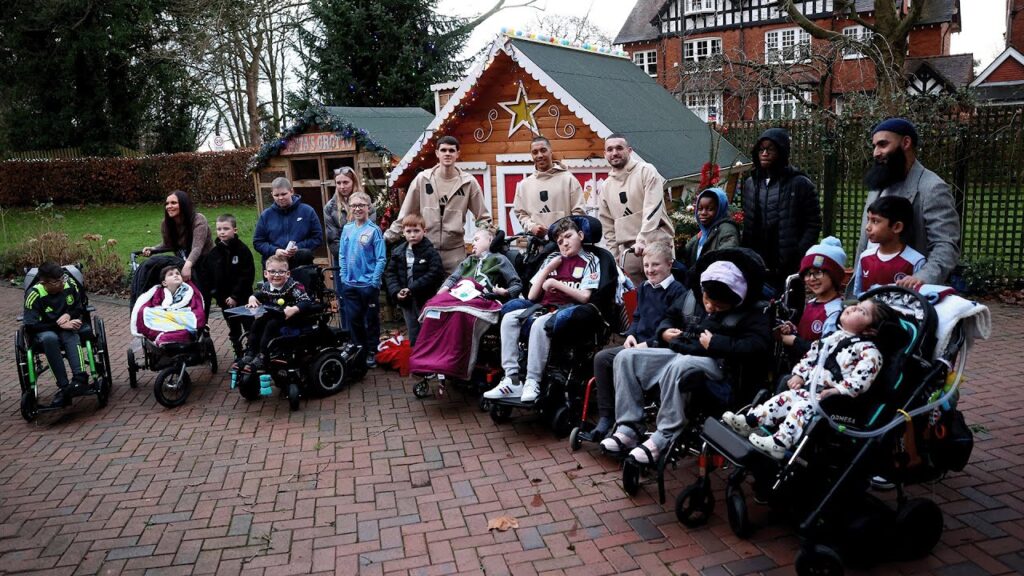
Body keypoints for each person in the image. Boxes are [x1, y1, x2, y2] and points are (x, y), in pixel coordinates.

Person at [601, 249, 771, 465]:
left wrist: (717, 343)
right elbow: (668, 316)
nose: (709, 307)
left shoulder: (753, 312)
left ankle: (665, 436)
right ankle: (629, 427)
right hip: (683, 349)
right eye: (708, 300)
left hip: (719, 364)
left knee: (681, 366)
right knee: (626, 358)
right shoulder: (693, 295)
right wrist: (664, 332)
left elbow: (758, 346)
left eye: (718, 306)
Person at [722, 299, 896, 459]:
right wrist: (800, 374)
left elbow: (861, 381)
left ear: (870, 330)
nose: (853, 308)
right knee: (784, 398)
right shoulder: (832, 338)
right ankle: (751, 422)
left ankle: (780, 443)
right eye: (857, 304)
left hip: (835, 401)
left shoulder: (870, 352)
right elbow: (811, 357)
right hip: (811, 391)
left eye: (862, 311)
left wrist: (838, 390)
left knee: (800, 408)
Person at [483, 217, 601, 403]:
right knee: (510, 318)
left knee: (539, 324)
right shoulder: (553, 258)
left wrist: (556, 284)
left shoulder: (591, 259)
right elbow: (531, 296)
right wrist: (547, 271)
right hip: (544, 306)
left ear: (580, 235)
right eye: (560, 241)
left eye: (569, 236)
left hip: (570, 309)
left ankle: (533, 380)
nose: (564, 243)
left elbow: (585, 296)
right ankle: (512, 377)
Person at [587, 242, 686, 441]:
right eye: (647, 265)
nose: (650, 270)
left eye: (655, 265)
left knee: (623, 358)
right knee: (602, 358)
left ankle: (630, 424)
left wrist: (649, 344)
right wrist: (631, 334)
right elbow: (638, 317)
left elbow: (674, 332)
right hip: (636, 344)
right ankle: (606, 416)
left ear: (669, 264)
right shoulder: (644, 289)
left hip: (658, 348)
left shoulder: (678, 292)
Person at [853, 118, 959, 292]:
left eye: (883, 144)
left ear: (906, 143)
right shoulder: (879, 183)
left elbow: (945, 245)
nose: (876, 153)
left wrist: (922, 278)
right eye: (874, 146)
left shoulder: (933, 188)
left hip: (907, 295)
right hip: (868, 295)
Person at [385, 135, 492, 273]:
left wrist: (484, 239)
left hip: (455, 252)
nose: (447, 154)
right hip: (426, 250)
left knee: (452, 292)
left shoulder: (468, 183)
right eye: (443, 150)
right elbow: (406, 214)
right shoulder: (423, 179)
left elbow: (483, 218)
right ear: (437, 153)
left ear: (458, 154)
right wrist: (387, 238)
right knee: (425, 291)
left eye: (452, 150)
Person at [740, 128, 822, 292]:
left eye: (770, 149)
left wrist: (798, 253)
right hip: (757, 260)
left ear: (782, 152)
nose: (764, 153)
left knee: (790, 307)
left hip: (787, 263)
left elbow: (813, 222)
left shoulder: (799, 183)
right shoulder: (751, 183)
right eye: (761, 149)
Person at [598, 133, 674, 285]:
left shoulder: (646, 171)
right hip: (628, 253)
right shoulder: (605, 186)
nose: (614, 153)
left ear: (629, 150)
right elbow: (607, 226)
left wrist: (642, 239)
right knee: (634, 303)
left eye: (619, 148)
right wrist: (614, 257)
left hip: (657, 246)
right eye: (610, 149)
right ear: (605, 154)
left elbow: (653, 208)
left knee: (662, 298)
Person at [23, 262, 89, 407]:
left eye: (62, 279)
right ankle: (64, 386)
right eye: (56, 281)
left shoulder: (69, 284)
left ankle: (80, 379)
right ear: (43, 282)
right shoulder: (34, 295)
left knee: (70, 332)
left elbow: (79, 306)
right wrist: (58, 325)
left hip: (66, 327)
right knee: (50, 338)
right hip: (44, 330)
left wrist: (69, 315)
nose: (61, 284)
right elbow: (30, 325)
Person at [235, 255, 315, 374]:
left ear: (287, 274)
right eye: (272, 272)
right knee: (257, 323)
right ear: (266, 273)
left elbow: (306, 301)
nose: (276, 275)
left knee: (270, 326)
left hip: (291, 317)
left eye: (281, 272)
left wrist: (294, 308)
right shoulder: (267, 286)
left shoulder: (293, 286)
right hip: (274, 314)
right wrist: (252, 298)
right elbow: (259, 294)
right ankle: (251, 353)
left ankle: (263, 356)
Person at [777, 237, 847, 360]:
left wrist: (794, 341)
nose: (812, 278)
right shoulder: (811, 303)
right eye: (807, 274)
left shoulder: (836, 312)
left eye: (818, 272)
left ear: (834, 275)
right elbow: (807, 333)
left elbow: (827, 350)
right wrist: (792, 330)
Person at [340, 191, 387, 368]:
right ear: (349, 208)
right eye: (354, 206)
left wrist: (374, 281)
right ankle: (359, 348)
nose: (357, 209)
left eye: (361, 205)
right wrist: (344, 277)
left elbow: (381, 258)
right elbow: (342, 255)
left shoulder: (374, 231)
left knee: (371, 319)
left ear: (368, 207)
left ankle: (371, 351)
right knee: (354, 319)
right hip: (350, 284)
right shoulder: (347, 229)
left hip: (368, 284)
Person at [384, 213, 445, 346]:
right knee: (413, 330)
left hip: (425, 299)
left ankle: (429, 359)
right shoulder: (398, 252)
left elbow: (435, 273)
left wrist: (412, 288)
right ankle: (416, 359)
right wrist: (396, 291)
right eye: (409, 231)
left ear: (424, 231)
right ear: (403, 233)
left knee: (429, 330)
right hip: (406, 300)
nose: (412, 235)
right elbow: (390, 274)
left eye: (416, 231)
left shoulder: (430, 252)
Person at [204, 214, 256, 360]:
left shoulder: (242, 250)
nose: (222, 232)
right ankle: (238, 352)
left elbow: (247, 275)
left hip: (244, 298)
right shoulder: (213, 254)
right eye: (219, 229)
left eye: (226, 229)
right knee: (233, 328)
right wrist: (220, 297)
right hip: (224, 301)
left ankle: (252, 351)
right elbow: (210, 278)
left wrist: (235, 296)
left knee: (249, 326)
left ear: (235, 230)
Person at [852, 195, 926, 296]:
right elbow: (858, 294)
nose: (867, 227)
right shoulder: (865, 257)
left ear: (897, 227)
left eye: (875, 221)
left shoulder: (915, 261)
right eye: (868, 220)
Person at [513, 135, 585, 236]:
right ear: (531, 155)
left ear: (551, 152)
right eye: (535, 152)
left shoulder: (568, 180)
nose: (539, 155)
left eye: (543, 150)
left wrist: (565, 233)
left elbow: (579, 212)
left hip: (565, 245)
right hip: (538, 246)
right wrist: (531, 227)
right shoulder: (524, 185)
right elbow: (521, 213)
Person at [141, 190, 214, 288]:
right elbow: (168, 244)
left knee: (203, 292)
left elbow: (197, 248)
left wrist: (187, 266)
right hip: (183, 261)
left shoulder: (198, 220)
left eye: (173, 203)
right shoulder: (166, 224)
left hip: (204, 262)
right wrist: (153, 249)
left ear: (183, 204)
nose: (169, 206)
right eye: (167, 203)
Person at [253, 177, 323, 267]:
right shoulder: (266, 215)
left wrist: (298, 248)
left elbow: (317, 238)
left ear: (291, 191)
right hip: (274, 267)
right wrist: (275, 251)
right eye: (276, 195)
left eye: (284, 194)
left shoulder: (307, 211)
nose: (280, 198)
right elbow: (258, 242)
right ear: (272, 195)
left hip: (301, 265)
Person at [131, 265, 207, 347]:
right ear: (164, 283)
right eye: (171, 274)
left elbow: (196, 306)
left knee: (193, 316)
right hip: (166, 319)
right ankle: (172, 334)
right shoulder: (158, 292)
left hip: (182, 316)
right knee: (146, 312)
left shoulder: (188, 292)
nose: (175, 275)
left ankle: (178, 333)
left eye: (178, 273)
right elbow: (152, 306)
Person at [439, 228, 522, 299]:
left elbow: (517, 285)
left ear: (490, 240)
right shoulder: (469, 260)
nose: (472, 244)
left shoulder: (499, 259)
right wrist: (441, 292)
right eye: (472, 241)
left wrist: (506, 292)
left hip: (484, 299)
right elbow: (453, 279)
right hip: (461, 296)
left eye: (476, 240)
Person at [325, 166, 377, 265]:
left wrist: (358, 254)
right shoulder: (330, 207)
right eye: (338, 183)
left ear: (353, 182)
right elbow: (332, 239)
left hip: (364, 257)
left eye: (345, 182)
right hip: (342, 259)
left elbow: (370, 231)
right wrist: (346, 256)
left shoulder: (366, 203)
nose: (342, 187)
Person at [682, 187, 741, 269]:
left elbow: (726, 258)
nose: (703, 213)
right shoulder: (704, 232)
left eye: (710, 209)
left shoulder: (727, 230)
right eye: (700, 209)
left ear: (720, 209)